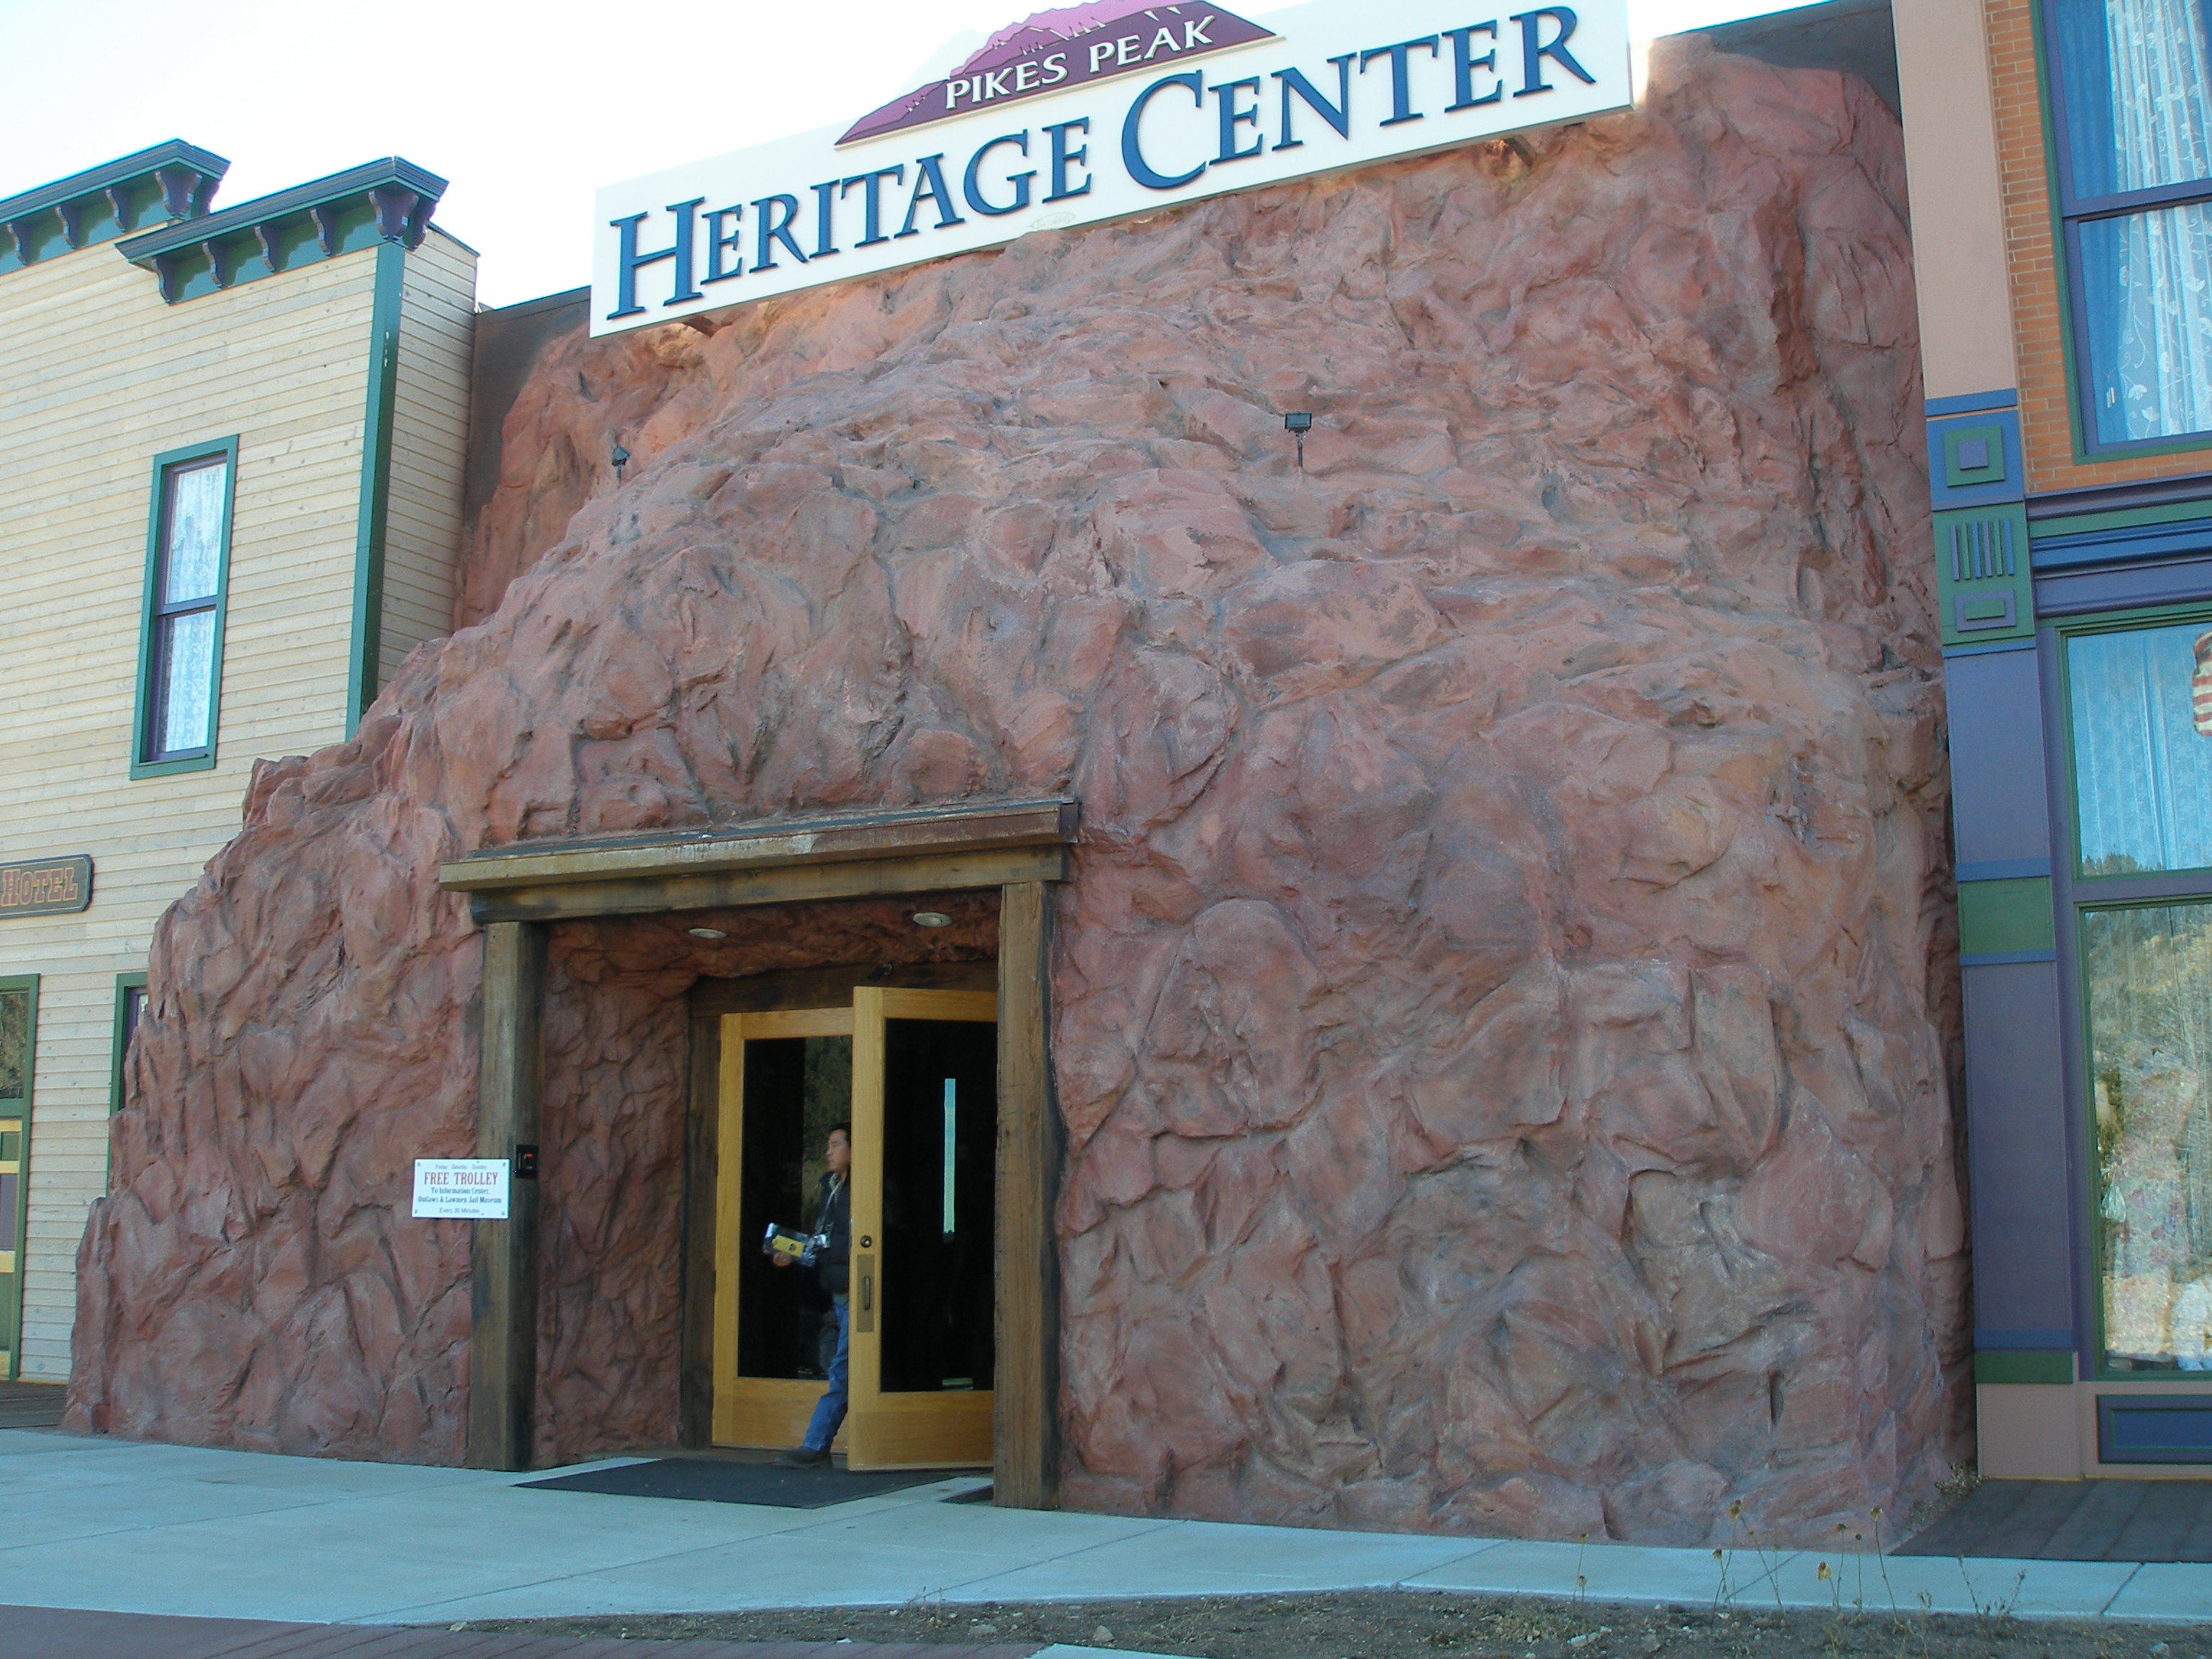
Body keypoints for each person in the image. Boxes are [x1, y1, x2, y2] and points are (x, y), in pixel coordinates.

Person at [773, 1123, 850, 1467]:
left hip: (856, 1291)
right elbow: (824, 1242)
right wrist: (793, 1252)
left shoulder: (865, 1188)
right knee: (839, 1368)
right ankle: (817, 1445)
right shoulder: (829, 1188)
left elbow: (853, 1243)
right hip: (837, 1292)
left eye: (836, 1145)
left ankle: (816, 1444)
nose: (828, 1152)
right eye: (829, 1145)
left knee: (840, 1371)